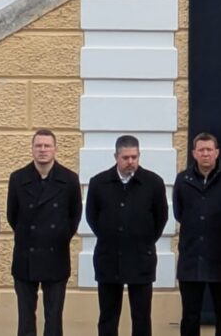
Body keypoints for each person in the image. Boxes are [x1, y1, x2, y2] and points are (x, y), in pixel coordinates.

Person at [85, 135, 169, 336]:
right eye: (125, 157)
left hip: (141, 257)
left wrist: (144, 239)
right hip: (108, 257)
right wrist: (110, 236)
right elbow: (92, 217)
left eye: (134, 157)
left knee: (141, 316)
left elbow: (161, 218)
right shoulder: (98, 183)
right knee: (108, 315)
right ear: (116, 156)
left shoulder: (153, 183)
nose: (130, 162)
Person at [6, 129, 82, 336]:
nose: (42, 150)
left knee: (54, 316)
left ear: (55, 149)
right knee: (26, 317)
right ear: (32, 149)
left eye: (47, 146)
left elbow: (75, 215)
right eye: (38, 145)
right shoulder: (18, 178)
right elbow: (12, 215)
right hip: (25, 256)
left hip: (56, 255)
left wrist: (59, 236)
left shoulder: (70, 179)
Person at [173, 133, 221, 336]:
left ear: (217, 152)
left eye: (209, 150)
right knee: (190, 314)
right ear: (194, 153)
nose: (205, 154)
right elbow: (178, 212)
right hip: (192, 257)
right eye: (201, 150)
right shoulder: (183, 179)